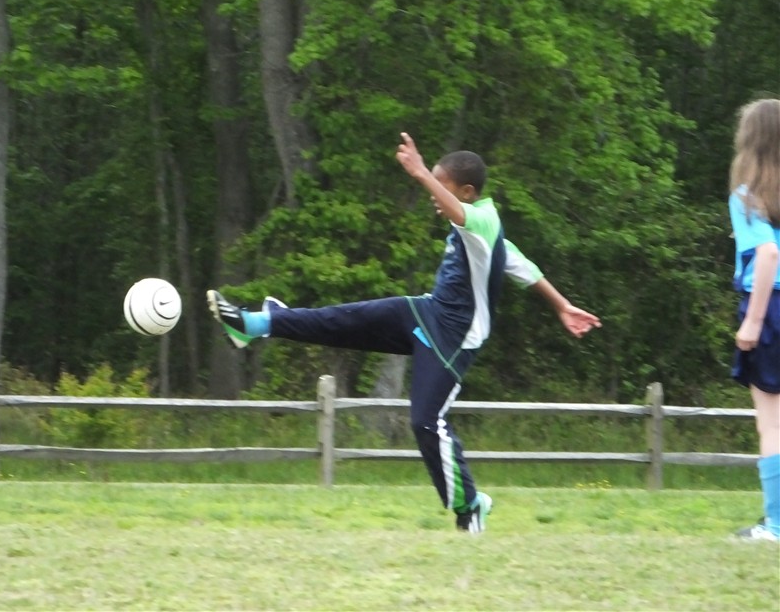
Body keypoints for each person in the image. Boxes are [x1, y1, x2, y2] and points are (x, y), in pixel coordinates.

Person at [207, 133, 600, 533]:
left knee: (426, 422)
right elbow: (524, 267)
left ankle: (470, 505)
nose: (433, 194)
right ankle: (257, 324)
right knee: (343, 320)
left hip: (454, 338)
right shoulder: (477, 232)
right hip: (426, 313)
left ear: (466, 192)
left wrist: (419, 172)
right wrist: (562, 305)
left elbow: (472, 224)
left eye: (441, 185)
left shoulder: (483, 220)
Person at [728, 97, 780, 542]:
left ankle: (776, 525)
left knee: (772, 423)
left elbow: (767, 254)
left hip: (771, 307)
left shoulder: (747, 197)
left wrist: (753, 322)